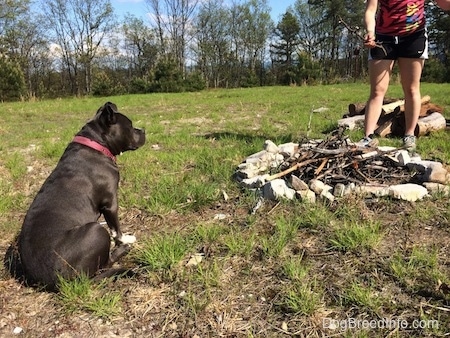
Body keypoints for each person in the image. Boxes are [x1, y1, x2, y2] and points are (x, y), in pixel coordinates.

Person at [359, 0, 450, 151]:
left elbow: (444, 3)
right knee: (377, 90)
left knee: (411, 88)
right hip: (383, 38)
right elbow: (370, 10)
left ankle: (409, 136)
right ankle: (368, 137)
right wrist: (370, 31)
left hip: (414, 37)